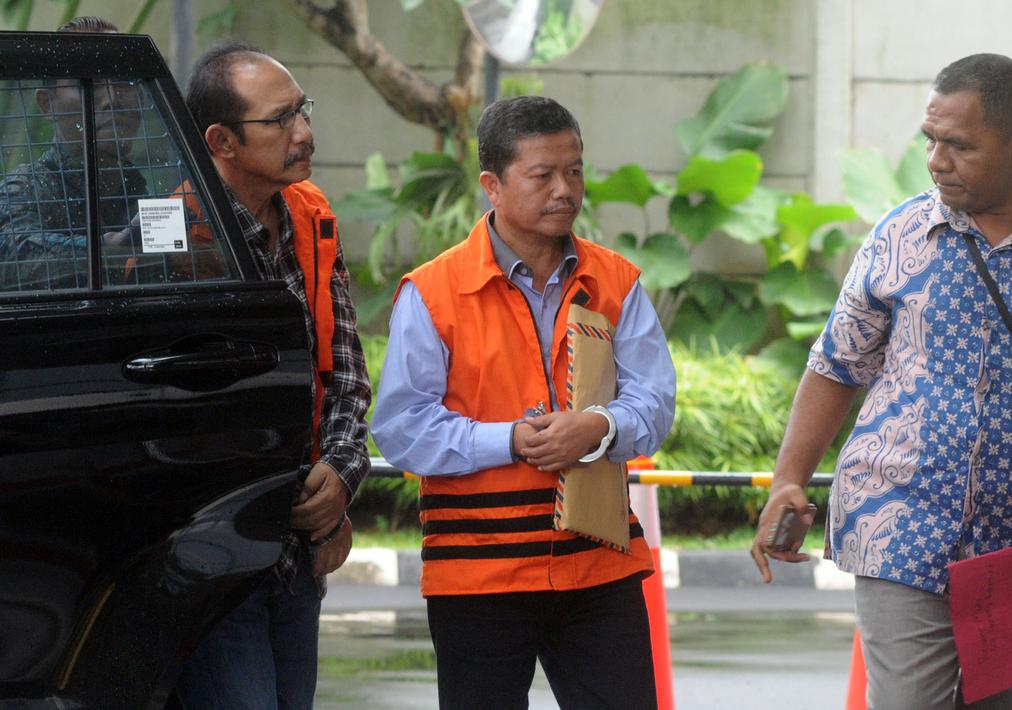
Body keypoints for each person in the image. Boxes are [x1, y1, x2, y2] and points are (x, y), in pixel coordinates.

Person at [750, 53, 1012, 710]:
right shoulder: (900, 235)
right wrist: (788, 479)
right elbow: (836, 365)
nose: (934, 159)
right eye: (929, 139)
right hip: (900, 522)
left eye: (958, 145)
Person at [371, 95, 675, 710]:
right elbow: (400, 428)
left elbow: (656, 401)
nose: (565, 189)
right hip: (477, 574)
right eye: (543, 175)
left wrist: (600, 426)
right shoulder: (433, 291)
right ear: (493, 186)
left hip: (598, 567)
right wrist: (509, 439)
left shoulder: (616, 280)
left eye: (575, 170)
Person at [176, 41, 371, 710]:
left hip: (297, 553)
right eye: (282, 119)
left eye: (303, 111)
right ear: (222, 141)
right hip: (210, 559)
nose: (305, 132)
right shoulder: (169, 238)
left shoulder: (310, 217)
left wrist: (341, 477)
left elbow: (345, 373)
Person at [0, 16, 144, 290]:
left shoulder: (146, 188)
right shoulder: (25, 190)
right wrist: (107, 248)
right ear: (47, 103)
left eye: (124, 80)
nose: (112, 99)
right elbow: (11, 252)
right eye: (90, 83)